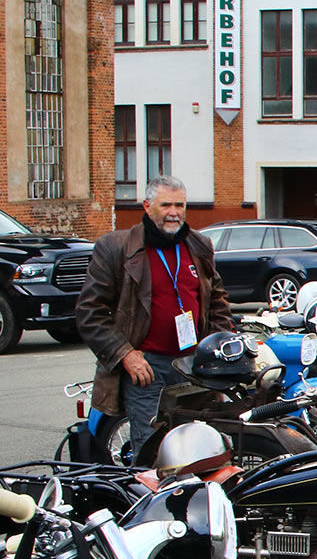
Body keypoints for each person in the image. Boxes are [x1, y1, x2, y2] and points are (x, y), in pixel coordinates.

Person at [75, 175, 233, 457]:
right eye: (166, 205)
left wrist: (216, 348)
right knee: (151, 453)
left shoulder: (199, 246)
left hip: (193, 366)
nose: (174, 212)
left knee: (196, 450)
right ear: (147, 206)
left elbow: (217, 302)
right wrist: (125, 354)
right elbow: (90, 312)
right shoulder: (117, 248)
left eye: (180, 205)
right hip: (146, 369)